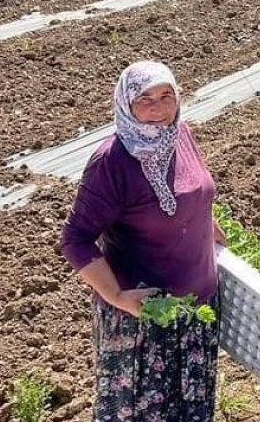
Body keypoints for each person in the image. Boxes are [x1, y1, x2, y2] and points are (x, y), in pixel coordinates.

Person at [61, 61, 225, 421]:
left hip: (196, 312)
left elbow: (191, 188)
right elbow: (76, 239)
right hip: (146, 319)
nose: (158, 108)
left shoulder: (180, 134)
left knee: (191, 407)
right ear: (125, 104)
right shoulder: (112, 162)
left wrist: (205, 223)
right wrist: (116, 296)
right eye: (144, 98)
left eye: (167, 96)